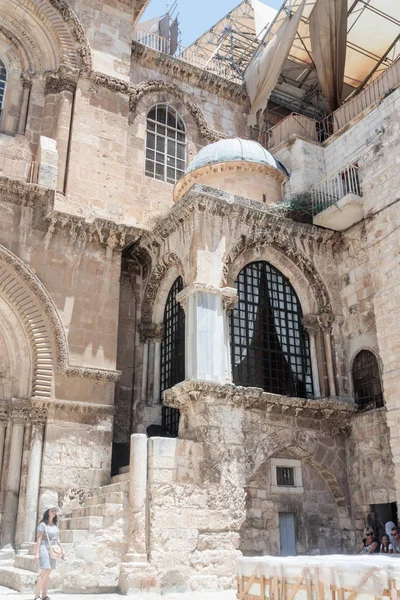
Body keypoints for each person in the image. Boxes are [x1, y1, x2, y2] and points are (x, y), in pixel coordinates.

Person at [34, 505, 65, 600]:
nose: (54, 513)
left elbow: (57, 539)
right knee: (45, 571)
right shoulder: (42, 525)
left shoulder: (55, 525)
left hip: (53, 550)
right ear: (47, 512)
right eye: (52, 511)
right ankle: (36, 596)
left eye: (55, 511)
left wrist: (62, 550)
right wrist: (37, 553)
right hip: (44, 548)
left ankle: (44, 595)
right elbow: (38, 540)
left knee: (48, 572)